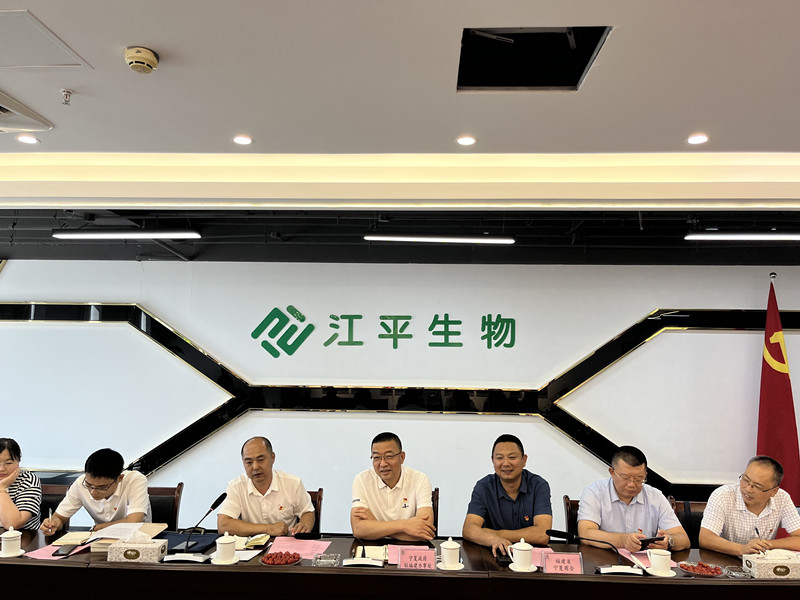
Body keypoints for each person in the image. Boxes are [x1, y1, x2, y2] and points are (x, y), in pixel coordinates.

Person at [578, 445, 689, 552]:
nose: (631, 484)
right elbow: (585, 534)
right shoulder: (594, 493)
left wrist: (669, 541)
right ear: (612, 472)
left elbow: (684, 540)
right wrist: (623, 540)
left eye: (639, 478)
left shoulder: (655, 497)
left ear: (645, 475)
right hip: (604, 560)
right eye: (625, 477)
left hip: (644, 562)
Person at [462, 434, 552, 556]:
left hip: (529, 556)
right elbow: (469, 529)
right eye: (499, 458)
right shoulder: (484, 487)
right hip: (494, 554)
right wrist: (493, 539)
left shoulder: (538, 486)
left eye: (512, 457)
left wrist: (496, 534)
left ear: (524, 460)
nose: (506, 463)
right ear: (492, 460)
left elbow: (543, 534)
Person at [699, 455, 800, 555]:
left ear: (774, 491)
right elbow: (705, 538)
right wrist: (742, 549)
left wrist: (764, 544)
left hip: (761, 561)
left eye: (757, 486)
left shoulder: (782, 498)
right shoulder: (723, 495)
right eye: (746, 480)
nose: (748, 489)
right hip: (726, 559)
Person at [217, 436, 314, 536]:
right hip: (250, 545)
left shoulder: (292, 483)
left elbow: (307, 512)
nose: (255, 467)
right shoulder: (236, 486)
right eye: (249, 462)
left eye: (261, 460)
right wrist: (268, 528)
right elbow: (223, 525)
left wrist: (303, 526)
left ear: (272, 458)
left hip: (285, 543)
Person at [40, 448, 151, 534]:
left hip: (137, 539)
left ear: (119, 478)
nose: (93, 492)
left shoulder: (135, 480)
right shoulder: (80, 483)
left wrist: (99, 528)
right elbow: (60, 517)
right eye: (89, 485)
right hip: (101, 540)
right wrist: (53, 523)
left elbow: (134, 521)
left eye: (102, 487)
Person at [350, 432, 435, 541]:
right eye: (376, 457)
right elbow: (358, 529)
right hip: (373, 548)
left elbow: (425, 532)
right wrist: (404, 526)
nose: (383, 464)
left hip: (409, 548)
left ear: (402, 457)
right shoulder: (362, 480)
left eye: (389, 456)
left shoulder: (419, 479)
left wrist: (375, 524)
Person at [0, 438, 41, 530]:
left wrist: (2, 488)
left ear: (18, 460)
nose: (2, 469)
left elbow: (12, 524)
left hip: (24, 536)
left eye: (8, 463)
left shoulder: (28, 480)